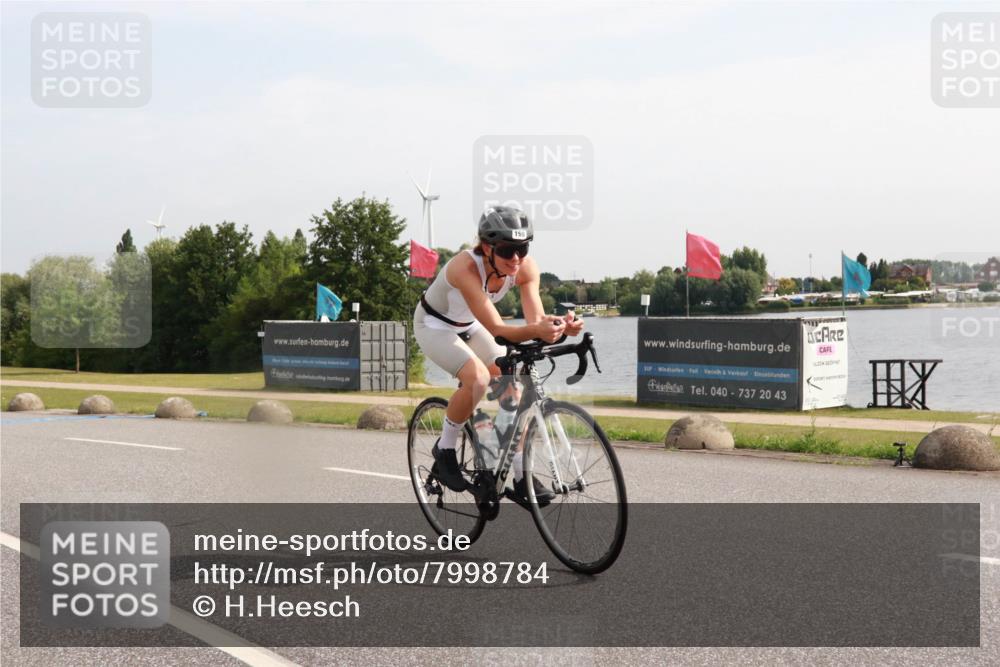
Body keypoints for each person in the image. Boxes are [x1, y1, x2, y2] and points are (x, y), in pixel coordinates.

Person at [413, 206, 584, 503]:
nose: (516, 258)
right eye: (507, 250)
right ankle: (445, 447)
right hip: (434, 325)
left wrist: (559, 327)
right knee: (477, 379)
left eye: (522, 248)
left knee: (514, 389)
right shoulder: (464, 268)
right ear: (488, 247)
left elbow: (535, 321)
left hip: (470, 324)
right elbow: (498, 329)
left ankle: (518, 476)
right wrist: (539, 330)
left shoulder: (526, 268)